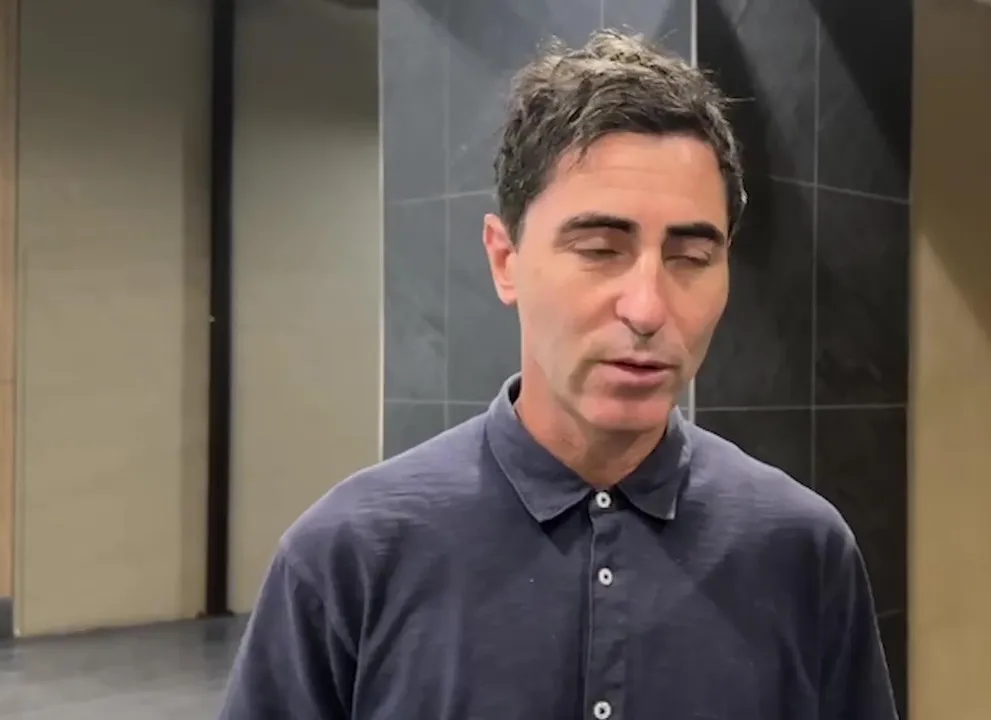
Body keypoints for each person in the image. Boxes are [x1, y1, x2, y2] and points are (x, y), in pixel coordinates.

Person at [219, 29, 897, 720]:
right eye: (600, 249)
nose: (647, 308)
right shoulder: (349, 558)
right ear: (505, 259)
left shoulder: (801, 552)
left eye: (691, 258)